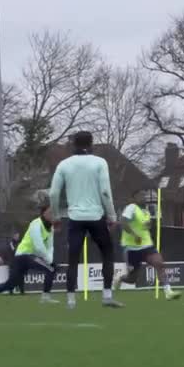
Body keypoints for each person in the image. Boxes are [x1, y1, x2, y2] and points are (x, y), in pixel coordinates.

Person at [49, 131, 121, 309]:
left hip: (75, 217)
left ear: (73, 144)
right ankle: (106, 296)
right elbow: (105, 192)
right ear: (92, 144)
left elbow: (54, 193)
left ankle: (71, 300)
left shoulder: (64, 164)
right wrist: (111, 216)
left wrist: (56, 217)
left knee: (73, 258)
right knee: (107, 254)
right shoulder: (99, 162)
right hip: (96, 216)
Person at [111, 191, 181, 300]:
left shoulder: (146, 211)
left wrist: (148, 225)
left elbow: (146, 225)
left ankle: (168, 292)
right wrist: (134, 235)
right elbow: (123, 222)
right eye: (141, 195)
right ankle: (119, 278)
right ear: (134, 197)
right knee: (132, 279)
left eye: (144, 195)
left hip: (147, 245)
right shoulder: (131, 207)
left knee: (160, 264)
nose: (143, 197)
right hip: (131, 248)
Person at [0, 206, 59, 304]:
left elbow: (50, 246)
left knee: (10, 284)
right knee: (51, 269)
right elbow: (39, 246)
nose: (52, 214)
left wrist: (50, 259)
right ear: (43, 213)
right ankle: (45, 297)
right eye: (49, 212)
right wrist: (49, 261)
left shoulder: (51, 228)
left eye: (53, 212)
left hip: (30, 257)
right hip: (23, 255)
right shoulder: (36, 224)